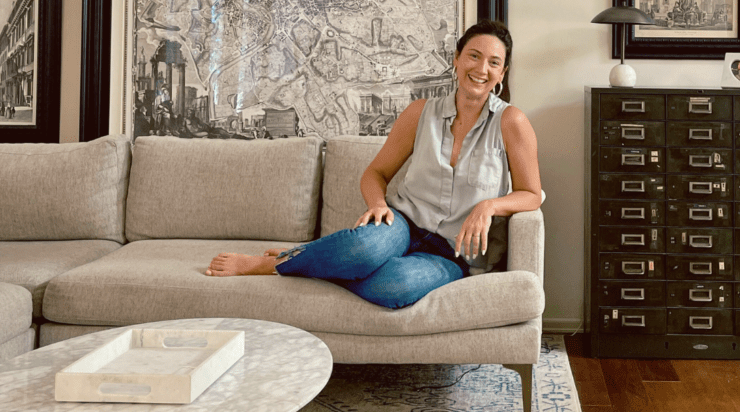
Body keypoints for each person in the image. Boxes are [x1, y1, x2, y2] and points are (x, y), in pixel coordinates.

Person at [205, 20, 542, 309]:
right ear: (456, 59)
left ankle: (309, 259)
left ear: (502, 73)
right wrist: (379, 205)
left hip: (451, 254)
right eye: (473, 55)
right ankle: (275, 265)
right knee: (364, 248)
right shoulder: (419, 114)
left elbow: (531, 193)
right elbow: (375, 173)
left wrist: (489, 206)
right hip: (403, 226)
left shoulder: (511, 122)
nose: (481, 69)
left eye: (493, 63)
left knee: (394, 286)